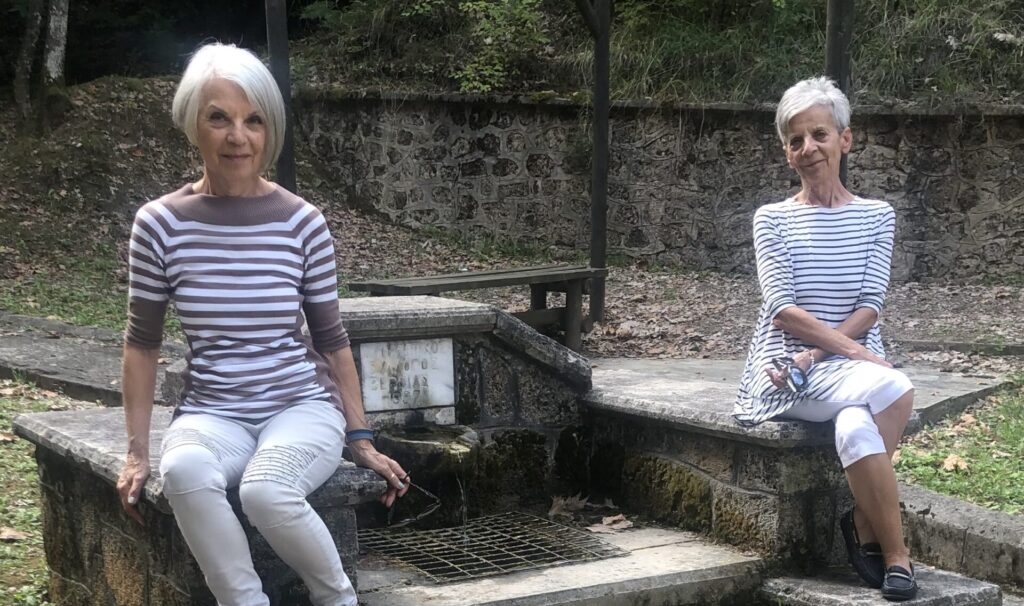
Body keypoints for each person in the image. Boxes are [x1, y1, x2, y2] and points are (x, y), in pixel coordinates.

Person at [115, 43, 409, 606]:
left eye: (254, 120)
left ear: (269, 129)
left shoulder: (301, 221)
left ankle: (338, 598)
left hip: (300, 408)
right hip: (212, 411)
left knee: (268, 491)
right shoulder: (159, 224)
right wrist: (137, 453)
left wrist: (361, 436)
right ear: (192, 124)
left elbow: (331, 339)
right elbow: (141, 344)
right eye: (218, 117)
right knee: (184, 472)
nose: (237, 137)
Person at [734, 77, 918, 601]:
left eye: (819, 134)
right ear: (786, 152)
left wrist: (830, 350)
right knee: (894, 388)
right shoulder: (772, 219)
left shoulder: (876, 216)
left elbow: (870, 305)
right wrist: (852, 352)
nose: (808, 148)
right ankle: (886, 545)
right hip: (784, 367)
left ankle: (883, 545)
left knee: (858, 425)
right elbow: (782, 311)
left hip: (834, 360)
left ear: (846, 139)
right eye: (796, 140)